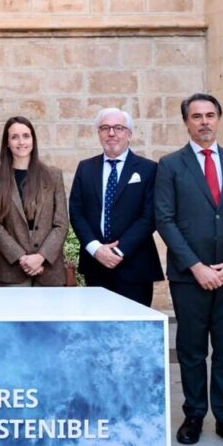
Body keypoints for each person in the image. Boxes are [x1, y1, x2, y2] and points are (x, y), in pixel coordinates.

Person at [155, 93, 223, 446]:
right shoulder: (170, 166)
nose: (204, 121)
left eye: (210, 115)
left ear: (218, 119)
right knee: (191, 348)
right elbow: (165, 220)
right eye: (197, 116)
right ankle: (194, 414)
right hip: (191, 277)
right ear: (186, 121)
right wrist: (196, 266)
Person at [68, 108, 163, 306]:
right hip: (96, 265)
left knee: (134, 332)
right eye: (105, 128)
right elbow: (76, 212)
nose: (111, 133)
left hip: (135, 266)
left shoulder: (148, 169)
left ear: (129, 134)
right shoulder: (85, 168)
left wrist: (119, 251)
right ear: (99, 134)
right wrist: (96, 249)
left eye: (118, 128)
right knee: (98, 331)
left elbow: (150, 216)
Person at [0, 116, 68, 286]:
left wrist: (41, 257)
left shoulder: (53, 175)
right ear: (7, 143)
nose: (21, 142)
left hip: (49, 269)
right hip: (12, 268)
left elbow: (61, 224)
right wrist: (22, 258)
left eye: (26, 136)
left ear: (33, 140)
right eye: (14, 137)